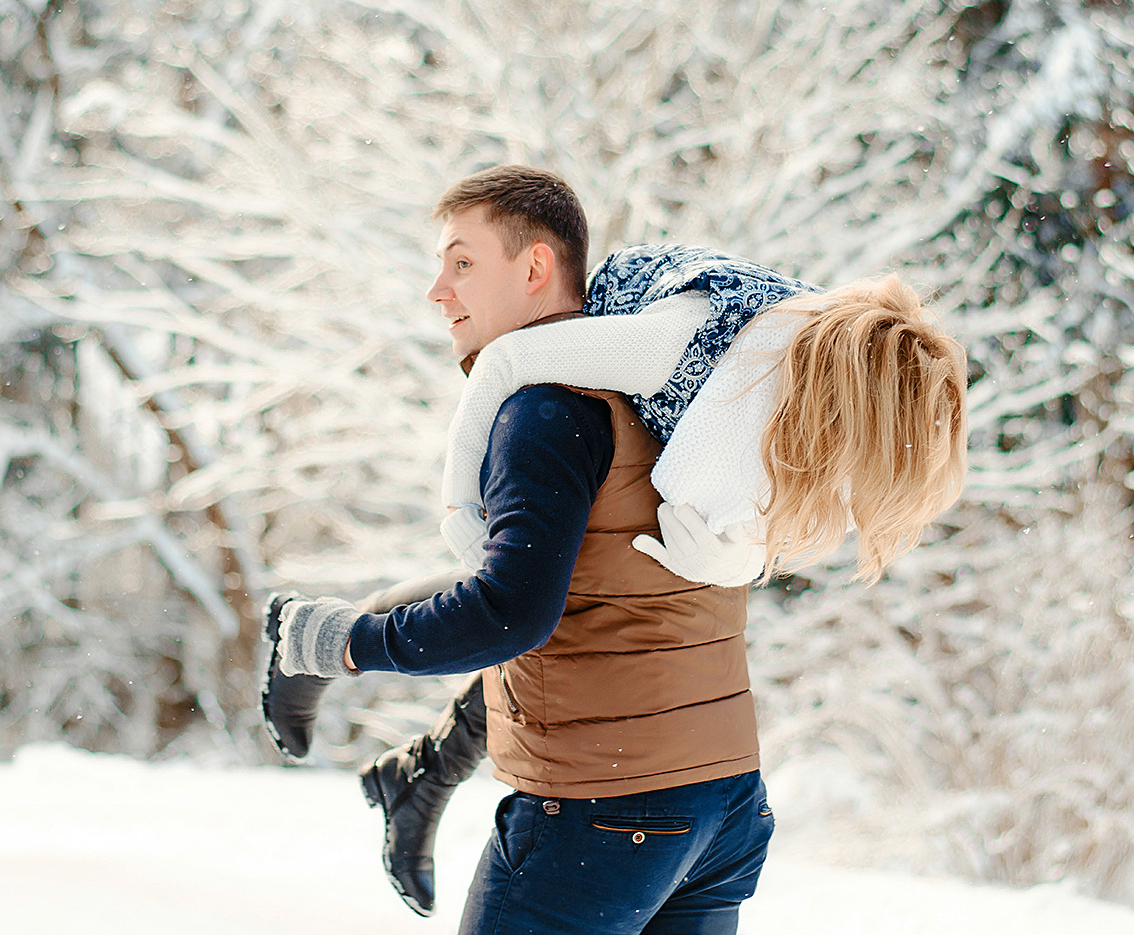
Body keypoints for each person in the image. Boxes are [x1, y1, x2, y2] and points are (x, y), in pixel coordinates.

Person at [269, 166, 780, 933]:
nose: (438, 290)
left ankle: (410, 763)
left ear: (537, 267)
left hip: (607, 820)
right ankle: (422, 775)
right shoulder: (670, 399)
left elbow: (512, 614)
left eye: (462, 262)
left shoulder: (543, 410)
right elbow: (593, 598)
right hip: (725, 808)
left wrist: (345, 643)